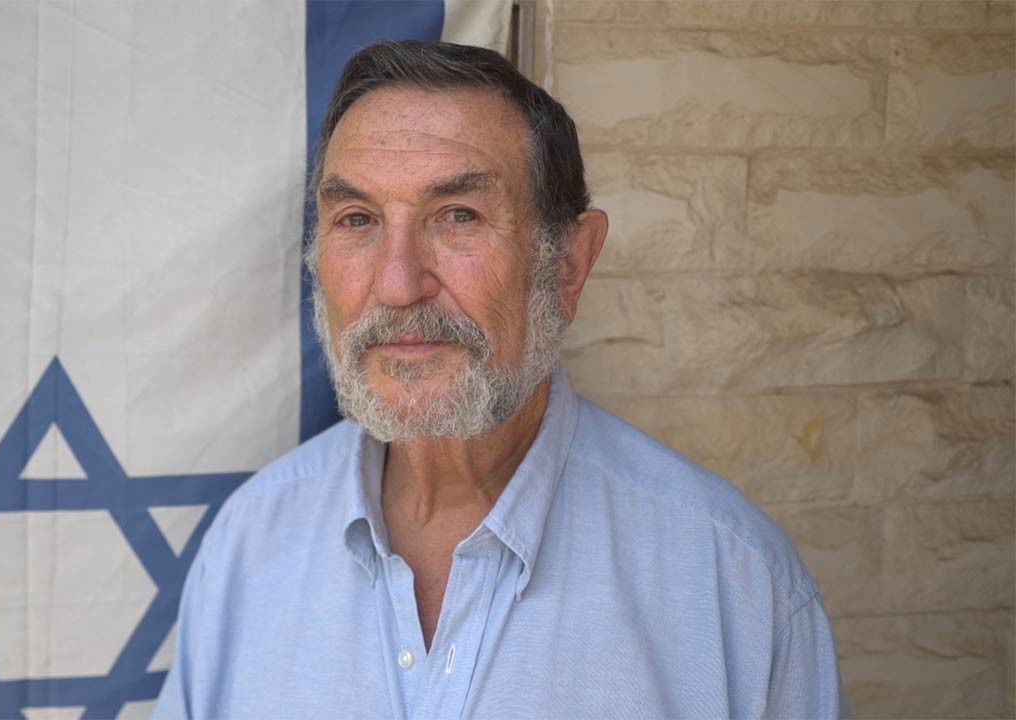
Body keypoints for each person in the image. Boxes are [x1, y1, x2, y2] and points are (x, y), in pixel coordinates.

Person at [153, 40, 846, 719]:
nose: (398, 284)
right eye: (357, 219)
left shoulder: (732, 584)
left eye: (459, 216)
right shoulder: (248, 546)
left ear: (568, 264)